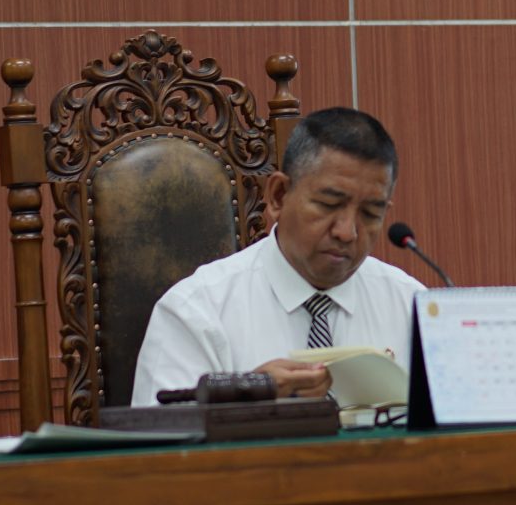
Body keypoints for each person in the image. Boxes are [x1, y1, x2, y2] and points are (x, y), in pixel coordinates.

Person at [132, 107, 425, 404]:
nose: (347, 232)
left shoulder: (412, 307)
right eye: (328, 204)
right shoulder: (197, 311)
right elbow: (158, 440)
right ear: (278, 196)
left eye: (370, 213)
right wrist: (245, 402)